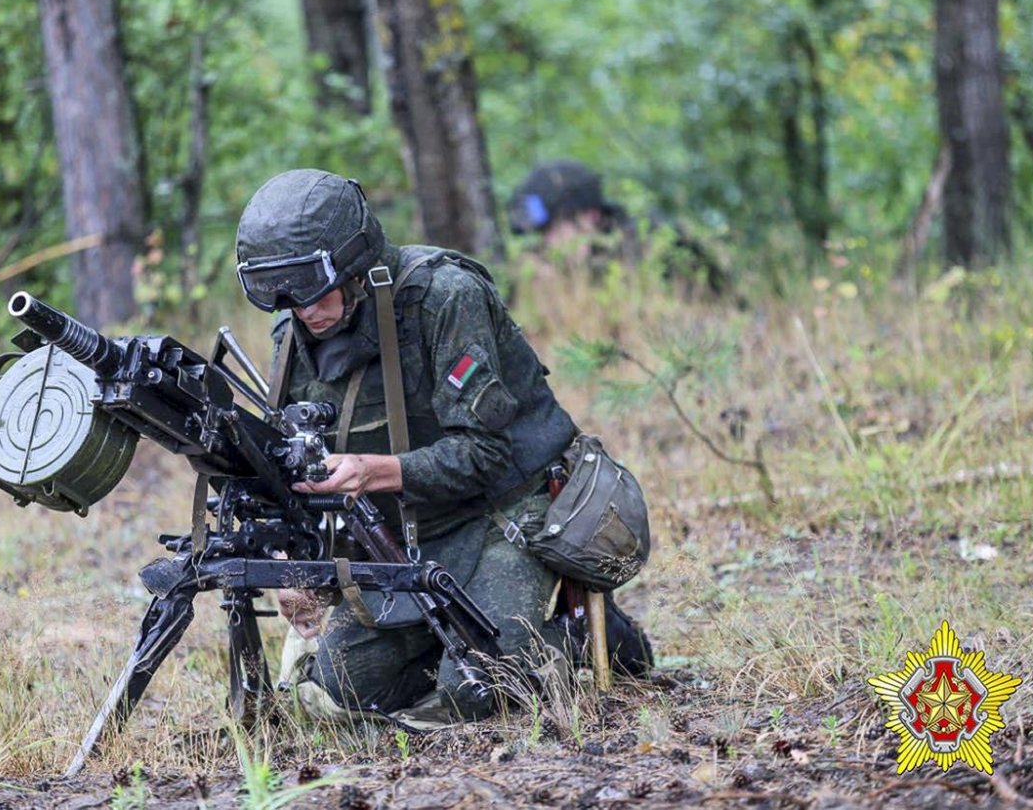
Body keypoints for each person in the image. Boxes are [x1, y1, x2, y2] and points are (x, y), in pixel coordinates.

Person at [233, 169, 651, 721]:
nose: (301, 307)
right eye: (277, 290)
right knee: (346, 690)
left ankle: (578, 636)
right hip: (406, 541)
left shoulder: (445, 297)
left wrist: (368, 471)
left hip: (506, 509)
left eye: (311, 283)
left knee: (478, 688)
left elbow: (486, 455)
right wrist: (293, 571)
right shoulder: (292, 343)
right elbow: (293, 473)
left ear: (354, 261)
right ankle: (455, 636)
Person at [508, 159, 733, 297]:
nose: (548, 243)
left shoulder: (650, 246)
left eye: (552, 230)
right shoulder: (572, 265)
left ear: (590, 216)